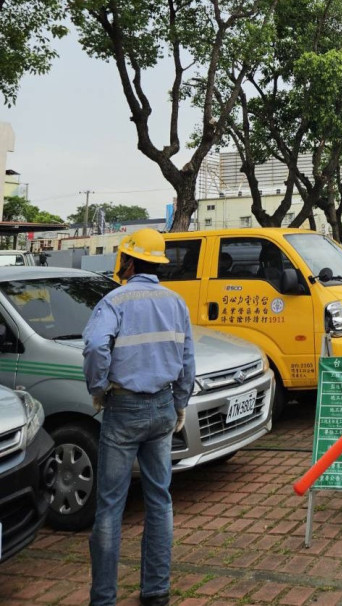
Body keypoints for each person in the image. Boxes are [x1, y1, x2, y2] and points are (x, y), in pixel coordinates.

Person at [83, 228, 196, 606]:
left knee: (110, 505)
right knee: (159, 500)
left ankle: (103, 598)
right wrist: (180, 402)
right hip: (163, 407)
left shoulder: (114, 300)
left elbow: (96, 346)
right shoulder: (176, 302)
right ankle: (156, 591)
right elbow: (187, 359)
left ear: (129, 262)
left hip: (124, 410)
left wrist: (98, 387)